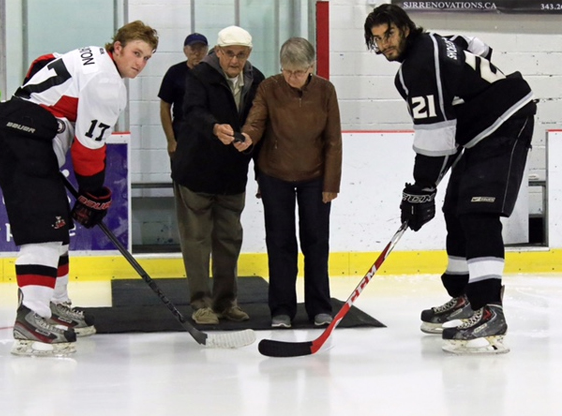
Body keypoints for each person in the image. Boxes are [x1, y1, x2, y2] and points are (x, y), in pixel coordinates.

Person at [364, 4, 536, 354]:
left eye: (389, 34)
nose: (384, 45)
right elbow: (477, 48)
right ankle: (466, 298)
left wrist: (420, 188)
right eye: (377, 40)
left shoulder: (419, 66)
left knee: (477, 211)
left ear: (405, 28)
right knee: (455, 208)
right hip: (479, 129)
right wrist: (423, 190)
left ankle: (489, 309)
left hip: (506, 119)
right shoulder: (436, 43)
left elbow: (435, 137)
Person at [0, 21, 159, 356]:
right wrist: (92, 193)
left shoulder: (90, 54)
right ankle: (32, 317)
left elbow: (41, 63)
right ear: (118, 47)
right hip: (25, 142)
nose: (140, 62)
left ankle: (56, 303)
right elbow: (88, 149)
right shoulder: (107, 82)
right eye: (136, 53)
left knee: (57, 228)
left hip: (22, 134)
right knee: (44, 233)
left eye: (147, 57)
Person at [242, 37, 342, 328]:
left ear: (311, 67)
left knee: (316, 243)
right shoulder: (269, 88)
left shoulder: (325, 90)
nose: (292, 77)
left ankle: (320, 307)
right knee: (280, 243)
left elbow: (333, 140)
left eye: (298, 72)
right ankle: (282, 310)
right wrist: (247, 137)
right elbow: (256, 121)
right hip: (276, 176)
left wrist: (330, 184)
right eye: (287, 71)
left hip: (315, 178)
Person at [171, 26, 264, 325]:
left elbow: (259, 122)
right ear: (218, 52)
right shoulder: (199, 75)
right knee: (196, 241)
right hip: (195, 172)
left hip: (232, 175)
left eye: (242, 54)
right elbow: (192, 111)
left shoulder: (257, 79)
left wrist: (251, 144)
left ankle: (226, 303)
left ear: (248, 54)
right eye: (229, 54)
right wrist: (214, 127)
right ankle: (201, 304)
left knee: (228, 239)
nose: (235, 61)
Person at [158, 33, 209, 160]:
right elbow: (165, 107)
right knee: (181, 173)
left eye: (201, 49)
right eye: (193, 48)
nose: (197, 53)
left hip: (208, 130)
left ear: (207, 50)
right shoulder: (174, 73)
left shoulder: (213, 74)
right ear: (185, 50)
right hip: (182, 130)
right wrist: (171, 140)